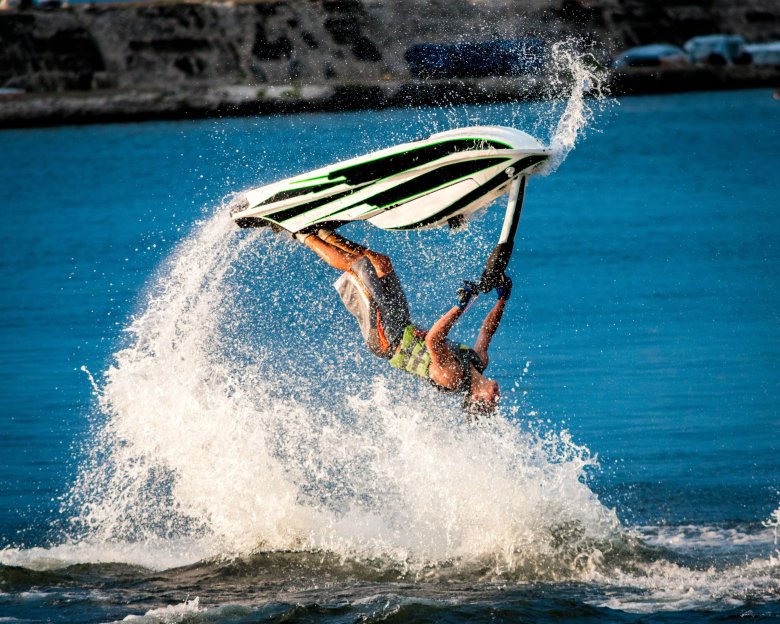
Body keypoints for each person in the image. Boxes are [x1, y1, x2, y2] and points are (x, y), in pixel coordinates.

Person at [294, 228, 511, 414]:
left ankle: (302, 233)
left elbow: (433, 340)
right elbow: (487, 331)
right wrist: (502, 298)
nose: (498, 398)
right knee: (382, 263)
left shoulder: (451, 377)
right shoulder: (478, 361)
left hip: (387, 339)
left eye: (491, 403)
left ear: (475, 398)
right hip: (401, 325)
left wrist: (459, 306)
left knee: (358, 266)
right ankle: (325, 234)